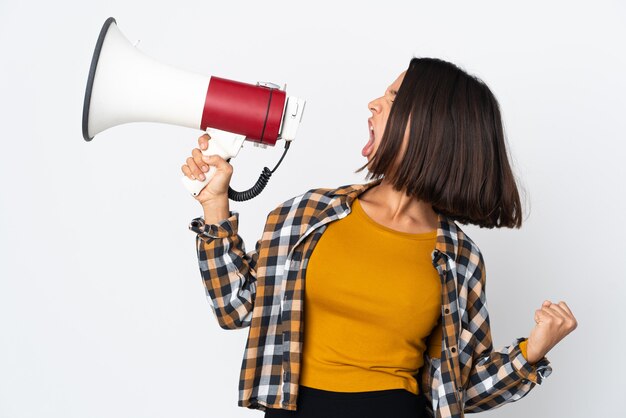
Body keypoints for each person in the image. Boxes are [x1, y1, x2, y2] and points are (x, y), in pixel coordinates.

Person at [182, 57, 578, 418]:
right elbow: (236, 307)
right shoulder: (309, 214)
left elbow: (460, 387)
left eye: (393, 96)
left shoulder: (459, 258)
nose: (373, 103)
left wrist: (532, 352)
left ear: (430, 126)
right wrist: (215, 205)